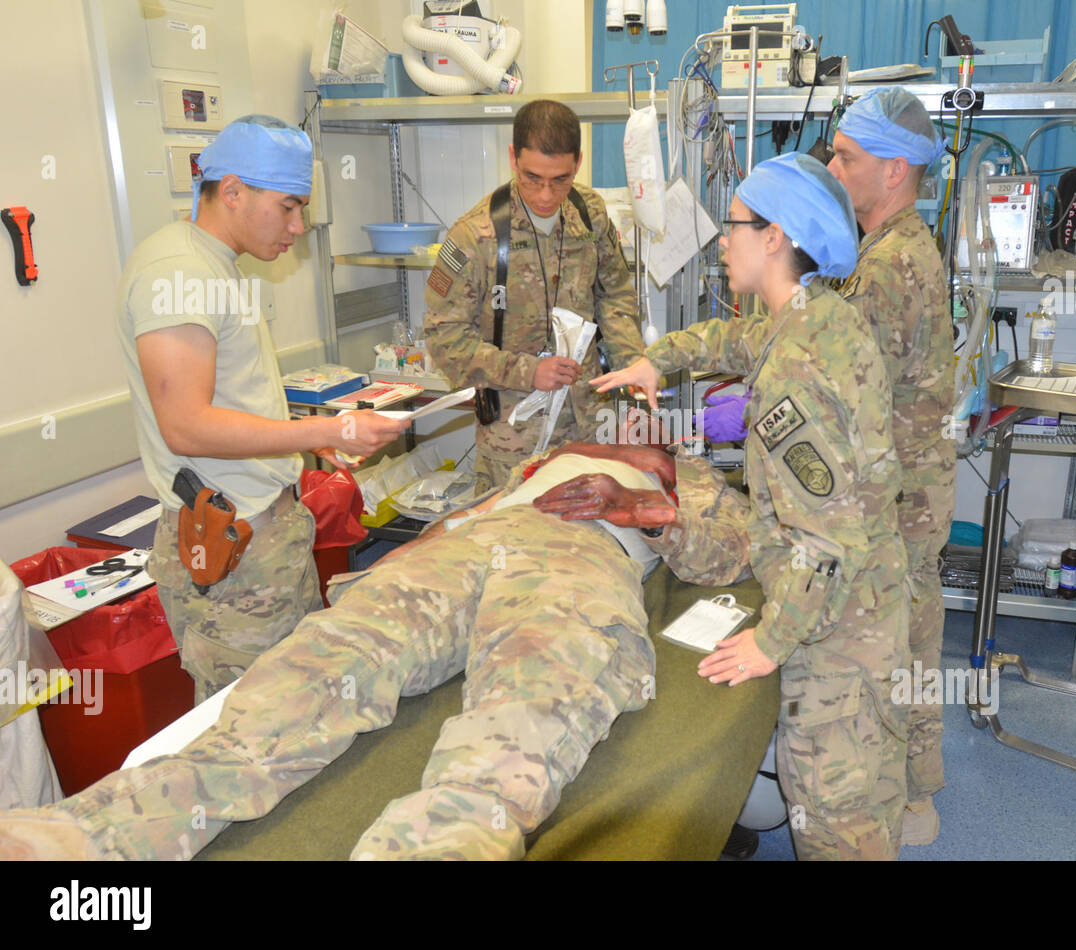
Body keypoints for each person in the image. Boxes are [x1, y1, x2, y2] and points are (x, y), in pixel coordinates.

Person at [0, 443, 751, 861]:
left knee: (534, 698)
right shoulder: (540, 464)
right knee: (320, 667)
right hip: (468, 547)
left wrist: (642, 506)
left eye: (642, 443)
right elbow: (458, 520)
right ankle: (84, 840)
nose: (618, 437)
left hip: (577, 555)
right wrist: (384, 578)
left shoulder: (682, 475)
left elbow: (728, 553)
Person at [593, 153, 911, 860]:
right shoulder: (814, 318)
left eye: (734, 224)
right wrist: (659, 359)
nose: (721, 240)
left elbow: (828, 541)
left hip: (839, 631)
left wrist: (772, 641)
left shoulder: (796, 369)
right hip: (877, 601)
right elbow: (725, 339)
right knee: (871, 793)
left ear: (775, 237)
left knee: (835, 817)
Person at [117, 115, 409, 702]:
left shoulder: (213, 266)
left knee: (291, 708)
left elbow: (232, 398)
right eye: (290, 206)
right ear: (232, 191)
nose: (299, 226)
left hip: (262, 537)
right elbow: (186, 426)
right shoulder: (177, 272)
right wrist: (330, 426)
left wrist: (306, 435)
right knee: (244, 728)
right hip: (232, 553)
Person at [827, 88, 953, 846]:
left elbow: (834, 380)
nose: (835, 169)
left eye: (847, 157)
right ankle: (917, 793)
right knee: (916, 634)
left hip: (897, 493)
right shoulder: (892, 249)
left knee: (897, 642)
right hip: (913, 483)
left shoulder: (889, 267)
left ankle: (905, 801)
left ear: (896, 170)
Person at [425, 99, 646, 493]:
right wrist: (527, 371)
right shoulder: (476, 235)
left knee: (589, 544)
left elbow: (615, 296)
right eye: (532, 178)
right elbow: (446, 340)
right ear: (513, 158)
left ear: (578, 162)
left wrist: (631, 376)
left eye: (559, 179)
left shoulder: (589, 213)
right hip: (515, 440)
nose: (545, 194)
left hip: (591, 427)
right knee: (515, 545)